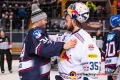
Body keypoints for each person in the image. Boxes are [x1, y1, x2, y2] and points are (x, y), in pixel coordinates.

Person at [18, 4, 77, 80]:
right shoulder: (36, 32)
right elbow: (43, 47)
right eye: (45, 20)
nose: (46, 22)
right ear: (38, 20)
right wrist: (63, 46)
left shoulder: (33, 32)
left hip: (33, 73)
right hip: (34, 74)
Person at [50, 2, 101, 80]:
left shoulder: (85, 40)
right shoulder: (67, 34)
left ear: (73, 21)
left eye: (67, 21)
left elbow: (92, 71)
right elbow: (54, 38)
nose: (65, 24)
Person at [102, 14, 120, 80]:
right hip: (116, 66)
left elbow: (103, 53)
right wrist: (117, 69)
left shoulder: (107, 35)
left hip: (107, 66)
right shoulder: (119, 34)